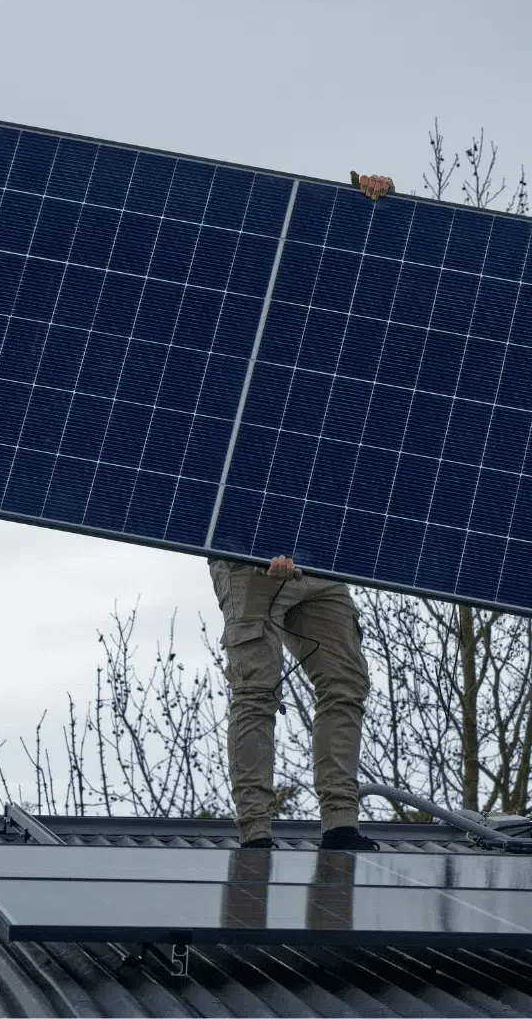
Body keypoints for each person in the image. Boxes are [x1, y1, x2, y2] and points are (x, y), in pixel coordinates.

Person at [210, 171, 395, 852]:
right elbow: (213, 452)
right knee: (256, 689)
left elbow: (371, 288)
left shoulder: (339, 360)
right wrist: (260, 533)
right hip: (250, 552)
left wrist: (370, 215)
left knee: (345, 680)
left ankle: (339, 823)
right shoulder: (239, 348)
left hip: (319, 553)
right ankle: (256, 831)